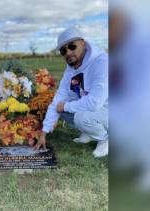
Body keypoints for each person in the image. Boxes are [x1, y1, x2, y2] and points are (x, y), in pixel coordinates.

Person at [34, 27, 108, 158]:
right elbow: (59, 99)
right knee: (59, 108)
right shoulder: (71, 69)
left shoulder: (102, 62)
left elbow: (95, 103)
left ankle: (104, 139)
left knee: (79, 116)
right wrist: (43, 133)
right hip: (98, 110)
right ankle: (89, 132)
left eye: (72, 46)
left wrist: (67, 106)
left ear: (83, 43)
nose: (68, 52)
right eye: (63, 50)